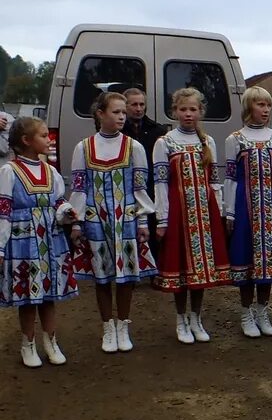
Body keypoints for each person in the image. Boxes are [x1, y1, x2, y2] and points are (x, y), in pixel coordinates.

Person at [69, 92, 157, 353]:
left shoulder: (134, 147)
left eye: (123, 112)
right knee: (102, 277)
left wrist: (142, 221)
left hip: (126, 220)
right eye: (116, 112)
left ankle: (123, 326)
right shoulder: (83, 148)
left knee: (127, 277)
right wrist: (76, 223)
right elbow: (79, 189)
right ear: (101, 114)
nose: (122, 116)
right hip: (96, 221)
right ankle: (107, 327)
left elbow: (140, 187)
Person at [153, 88, 231, 344]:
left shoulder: (207, 142)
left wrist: (218, 210)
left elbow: (215, 181)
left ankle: (196, 318)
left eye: (193, 109)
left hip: (204, 214)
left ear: (200, 112)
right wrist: (162, 219)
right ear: (175, 111)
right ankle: (180, 319)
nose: (188, 114)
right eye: (183, 109)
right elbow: (161, 183)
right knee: (181, 268)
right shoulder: (165, 143)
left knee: (202, 270)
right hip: (179, 213)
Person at [0, 117, 78, 367]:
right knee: (27, 297)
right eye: (43, 136)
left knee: (48, 296)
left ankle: (51, 341)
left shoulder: (50, 171)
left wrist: (66, 211)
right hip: (23, 243)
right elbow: (3, 212)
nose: (48, 139)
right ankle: (28, 343)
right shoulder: (8, 172)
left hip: (50, 241)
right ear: (26, 141)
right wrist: (0, 247)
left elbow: (57, 201)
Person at [224, 86, 272, 338]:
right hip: (246, 208)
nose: (265, 110)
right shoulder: (235, 139)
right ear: (248, 108)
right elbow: (231, 179)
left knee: (268, 263)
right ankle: (246, 314)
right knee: (246, 261)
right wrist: (230, 212)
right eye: (260, 105)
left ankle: (262, 312)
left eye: (268, 105)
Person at [122, 88, 166, 254]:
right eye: (134, 104)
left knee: (152, 227)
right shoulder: (119, 131)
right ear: (125, 106)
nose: (139, 108)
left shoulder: (158, 131)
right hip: (126, 185)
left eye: (142, 104)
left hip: (150, 186)